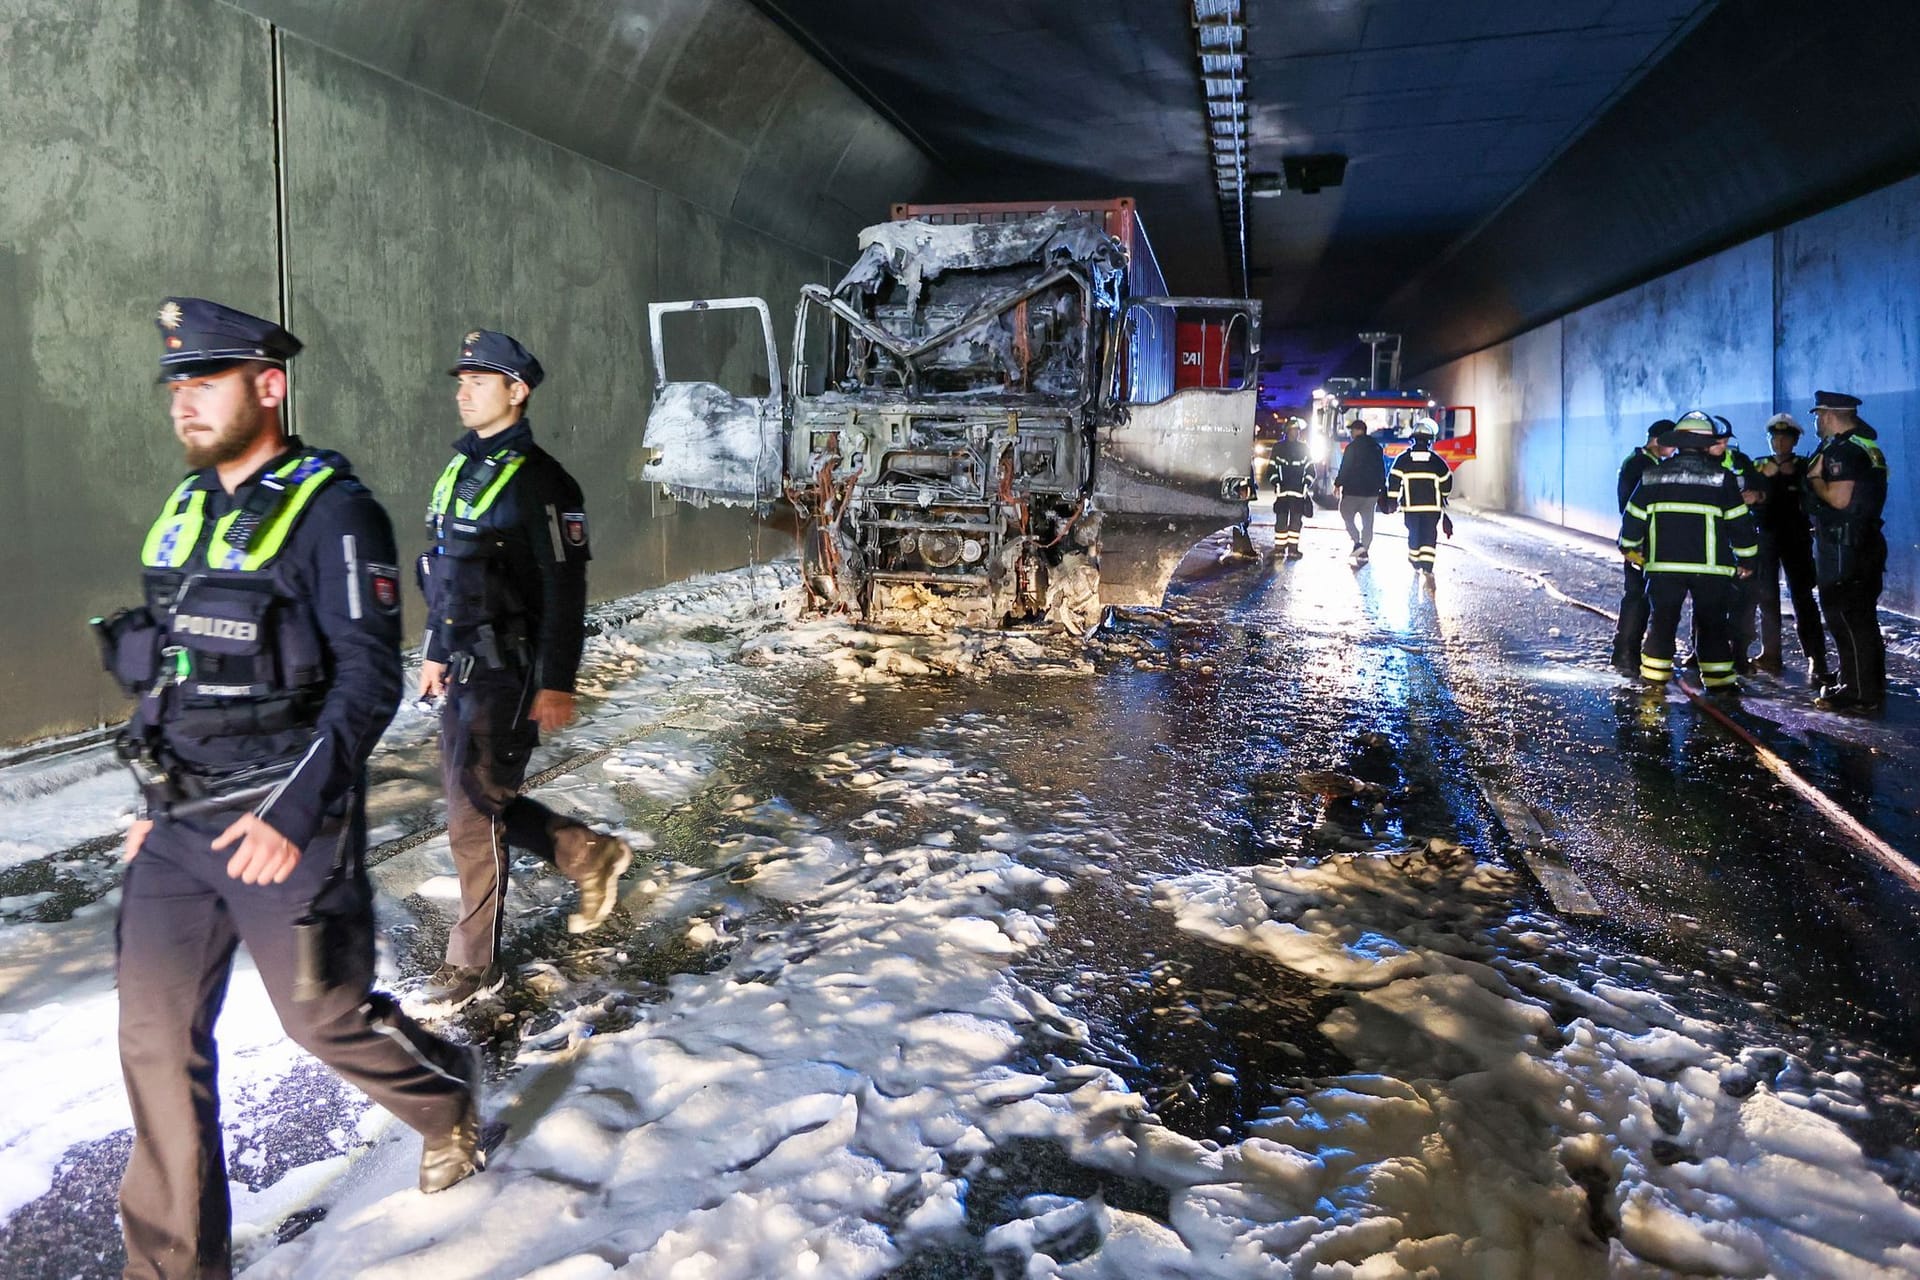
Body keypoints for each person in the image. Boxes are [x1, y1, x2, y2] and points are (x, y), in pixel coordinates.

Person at [98, 298, 482, 1279]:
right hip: (179, 827)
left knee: (323, 1018)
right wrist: (149, 812)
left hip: (286, 821)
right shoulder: (185, 510)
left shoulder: (335, 512)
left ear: (268, 386)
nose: (184, 400)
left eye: (206, 380)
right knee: (153, 1042)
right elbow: (170, 675)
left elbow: (368, 676)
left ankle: (443, 1100)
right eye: (176, 383)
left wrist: (297, 810)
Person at [415, 330, 633, 1008]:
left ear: (518, 390)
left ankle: (474, 964)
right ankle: (585, 854)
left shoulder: (545, 482)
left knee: (471, 818)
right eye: (462, 379)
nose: (464, 390)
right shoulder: (458, 470)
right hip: (461, 668)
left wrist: (556, 681)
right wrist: (431, 650)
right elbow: (445, 573)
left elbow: (565, 593)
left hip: (509, 674)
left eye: (481, 380)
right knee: (481, 803)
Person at [1618, 412, 1759, 691]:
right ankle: (1720, 687)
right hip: (1711, 570)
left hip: (1663, 568)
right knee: (1712, 626)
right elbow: (1739, 523)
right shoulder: (1722, 478)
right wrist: (1747, 559)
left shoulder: (1652, 475)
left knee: (1662, 624)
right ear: (1707, 444)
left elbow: (1633, 518)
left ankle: (1653, 684)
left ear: (1678, 442)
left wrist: (1631, 548)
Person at [1804, 390, 1889, 711]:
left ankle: (1859, 693)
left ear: (1827, 415)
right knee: (1860, 617)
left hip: (1844, 546)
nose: (1816, 422)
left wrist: (1814, 480)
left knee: (1846, 615)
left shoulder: (1842, 451)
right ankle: (1860, 682)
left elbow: (1839, 499)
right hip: (1861, 543)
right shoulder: (1866, 446)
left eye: (1817, 416)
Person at [1750, 413, 1829, 680]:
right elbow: (1747, 496)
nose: (1779, 443)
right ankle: (1770, 652)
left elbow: (1814, 499)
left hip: (1796, 538)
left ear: (1794, 441)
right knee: (1766, 597)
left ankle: (1816, 658)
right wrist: (1767, 480)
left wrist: (1796, 477)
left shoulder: (1805, 466)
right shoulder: (1758, 466)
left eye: (1785, 438)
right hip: (1766, 538)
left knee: (1803, 598)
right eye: (1775, 437)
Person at [1612, 420, 1673, 672]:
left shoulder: (1641, 462)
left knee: (1640, 598)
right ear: (1659, 440)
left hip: (1642, 541)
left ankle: (1628, 653)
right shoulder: (1642, 465)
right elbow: (1636, 508)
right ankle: (1626, 654)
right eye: (1672, 445)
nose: (1674, 451)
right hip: (1642, 543)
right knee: (1637, 598)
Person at [1387, 415, 1452, 573]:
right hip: (1432, 509)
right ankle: (1427, 566)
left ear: (1413, 440)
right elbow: (1447, 482)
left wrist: (1392, 500)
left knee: (1414, 535)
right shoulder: (1437, 461)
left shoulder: (1403, 459)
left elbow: (1394, 480)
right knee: (1429, 535)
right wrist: (1443, 495)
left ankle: (1415, 560)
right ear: (1430, 441)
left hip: (1411, 508)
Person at [1332, 415, 1386, 562]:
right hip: (1371, 493)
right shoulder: (1377, 447)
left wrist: (1338, 484)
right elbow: (1381, 470)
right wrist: (1382, 488)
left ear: (1357, 431)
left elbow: (1345, 468)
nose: (1350, 434)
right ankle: (1364, 550)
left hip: (1353, 492)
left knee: (1346, 514)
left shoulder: (1352, 447)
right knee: (1368, 522)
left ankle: (1357, 542)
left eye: (1352, 431)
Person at [1269, 416, 1313, 559]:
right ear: (1287, 431)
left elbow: (1311, 470)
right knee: (1281, 522)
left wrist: (1306, 485)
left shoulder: (1304, 448)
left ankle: (1293, 549)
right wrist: (1276, 484)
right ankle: (1280, 549)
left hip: (1298, 493)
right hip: (1283, 492)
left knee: (1295, 523)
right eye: (1293, 430)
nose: (1296, 433)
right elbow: (1271, 469)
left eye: (1297, 430)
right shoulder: (1278, 448)